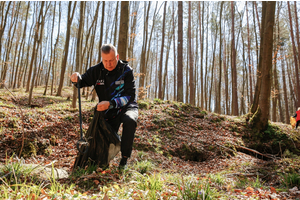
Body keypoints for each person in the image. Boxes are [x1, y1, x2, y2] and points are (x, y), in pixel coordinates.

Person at [70, 44, 138, 169]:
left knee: (130, 121)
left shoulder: (126, 70)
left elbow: (130, 96)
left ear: (117, 57)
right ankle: (102, 160)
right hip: (108, 109)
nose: (109, 64)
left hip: (127, 106)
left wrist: (111, 103)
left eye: (111, 60)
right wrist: (75, 78)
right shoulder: (96, 70)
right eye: (105, 61)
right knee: (104, 136)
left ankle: (124, 160)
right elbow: (81, 81)